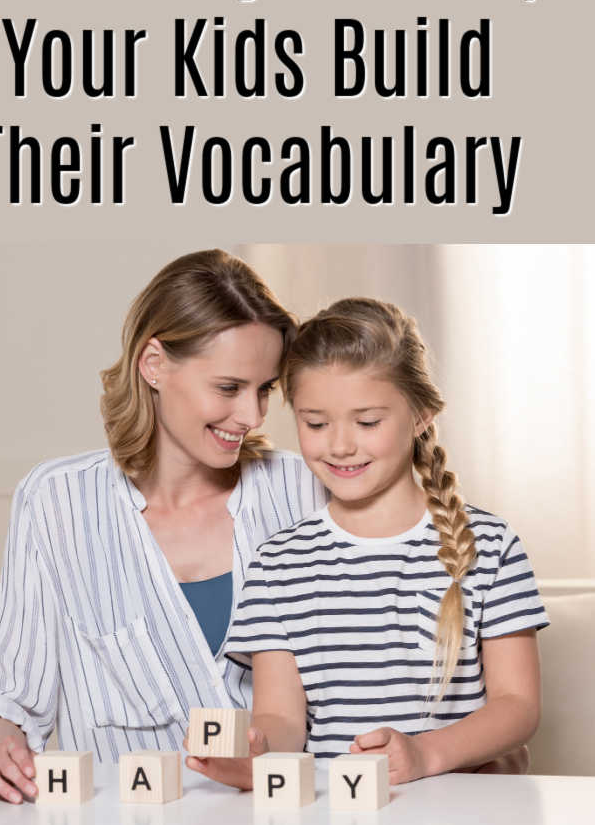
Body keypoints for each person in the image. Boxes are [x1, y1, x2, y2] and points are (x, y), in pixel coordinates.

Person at [0, 249, 326, 804]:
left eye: (266, 390)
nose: (254, 416)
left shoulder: (301, 489)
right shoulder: (58, 500)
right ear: (153, 364)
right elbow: (14, 695)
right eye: (229, 387)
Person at [189, 298, 548, 788]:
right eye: (316, 423)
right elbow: (282, 719)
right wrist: (256, 754)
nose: (339, 445)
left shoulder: (490, 544)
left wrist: (424, 754)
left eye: (367, 422)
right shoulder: (278, 563)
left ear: (421, 415)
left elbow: (518, 707)